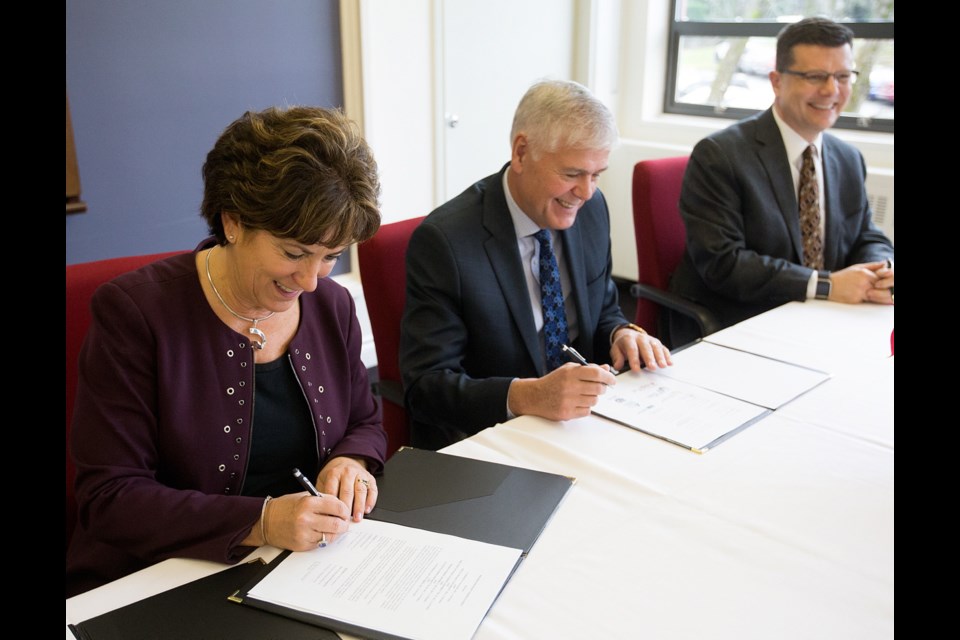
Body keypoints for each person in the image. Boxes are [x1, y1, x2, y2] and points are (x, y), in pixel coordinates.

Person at [66, 106, 387, 597]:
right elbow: (109, 497)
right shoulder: (134, 315)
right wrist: (262, 520)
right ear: (233, 221)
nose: (309, 281)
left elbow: (364, 421)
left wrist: (351, 462)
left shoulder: (332, 305)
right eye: (294, 253)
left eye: (331, 256)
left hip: (300, 567)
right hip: (159, 577)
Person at [400, 79, 672, 450]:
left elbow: (604, 308)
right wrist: (528, 396)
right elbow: (427, 387)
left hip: (583, 423)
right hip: (495, 438)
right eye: (572, 174)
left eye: (597, 175)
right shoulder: (446, 243)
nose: (586, 192)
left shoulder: (592, 209)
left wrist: (621, 333)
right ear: (522, 152)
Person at [667, 17, 894, 348]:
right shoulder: (720, 155)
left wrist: (881, 268)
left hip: (823, 319)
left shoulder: (848, 158)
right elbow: (724, 264)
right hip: (741, 320)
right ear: (776, 81)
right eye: (815, 76)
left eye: (843, 76)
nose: (832, 90)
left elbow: (865, 233)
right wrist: (827, 284)